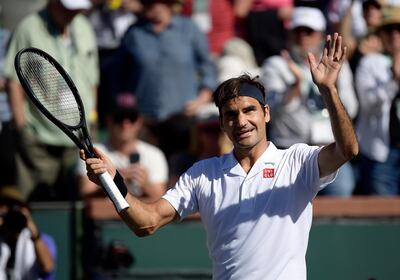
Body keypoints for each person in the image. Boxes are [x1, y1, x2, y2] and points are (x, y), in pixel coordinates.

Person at [82, 32, 358, 279]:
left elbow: (347, 149)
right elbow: (147, 222)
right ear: (223, 123)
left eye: (249, 110)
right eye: (231, 115)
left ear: (266, 113)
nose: (241, 121)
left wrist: (328, 90)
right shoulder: (203, 174)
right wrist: (112, 180)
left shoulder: (297, 161)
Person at [4, 0, 99, 201]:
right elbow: (13, 81)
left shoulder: (84, 26)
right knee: (38, 204)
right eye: (68, 9)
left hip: (80, 139)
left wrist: (91, 118)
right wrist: (22, 127)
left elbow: (92, 78)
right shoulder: (28, 27)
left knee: (76, 203)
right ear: (53, 3)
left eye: (77, 9)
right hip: (38, 139)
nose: (73, 14)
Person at [261, 6, 358, 196]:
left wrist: (331, 87)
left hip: (329, 149)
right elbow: (270, 112)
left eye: (309, 32)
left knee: (342, 198)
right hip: (288, 152)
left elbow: (352, 109)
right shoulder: (276, 65)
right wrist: (295, 86)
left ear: (321, 35)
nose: (302, 37)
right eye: (297, 31)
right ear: (289, 35)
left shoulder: (336, 66)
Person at [77, 93, 168, 202]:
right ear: (108, 120)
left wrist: (145, 184)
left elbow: (161, 199)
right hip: (104, 217)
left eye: (131, 118)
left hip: (140, 216)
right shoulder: (93, 151)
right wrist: (115, 182)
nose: (125, 124)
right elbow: (85, 193)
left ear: (139, 122)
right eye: (119, 118)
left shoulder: (154, 154)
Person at [355, 4, 400, 195]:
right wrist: (393, 79)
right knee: (383, 218)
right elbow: (368, 103)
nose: (395, 35)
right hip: (383, 153)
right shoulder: (370, 63)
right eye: (389, 30)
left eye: (399, 29)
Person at [0, 186, 56, 279]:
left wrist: (35, 236)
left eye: (15, 207)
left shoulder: (42, 240)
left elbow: (47, 267)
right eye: (6, 206)